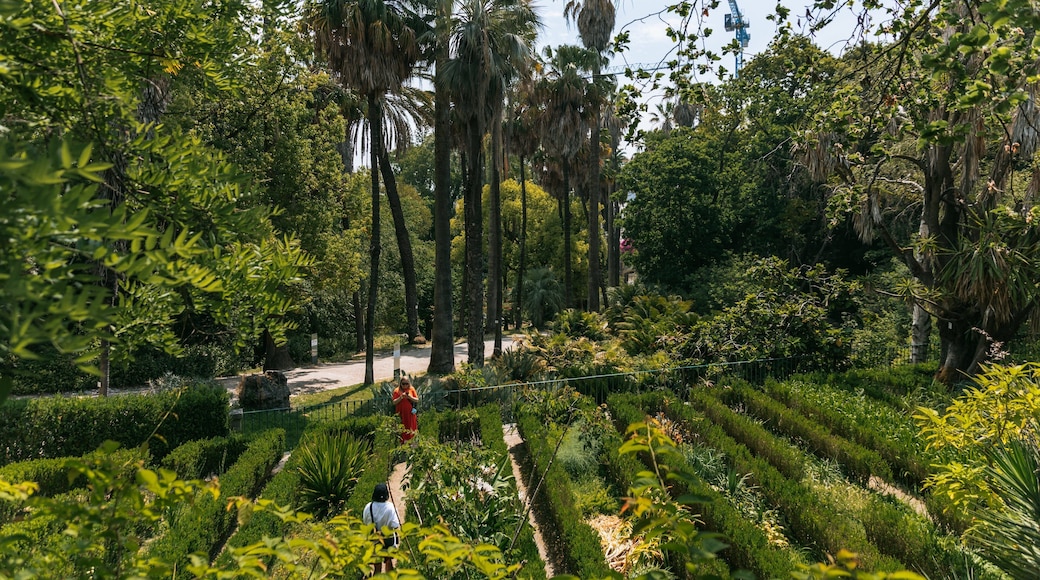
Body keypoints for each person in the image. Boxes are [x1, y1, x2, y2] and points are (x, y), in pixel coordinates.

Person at [362, 482, 400, 574]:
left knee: (377, 565)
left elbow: (365, 522)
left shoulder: (368, 507)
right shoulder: (391, 507)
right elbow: (395, 525)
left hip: (374, 539)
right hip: (388, 539)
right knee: (388, 561)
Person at [391, 376, 419, 443]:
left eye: (407, 383)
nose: (405, 385)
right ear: (400, 384)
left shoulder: (411, 389)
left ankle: (413, 444)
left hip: (410, 414)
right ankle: (403, 444)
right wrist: (401, 397)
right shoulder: (397, 391)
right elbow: (394, 402)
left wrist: (410, 397)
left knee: (411, 428)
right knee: (403, 429)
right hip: (401, 414)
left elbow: (417, 400)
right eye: (403, 384)